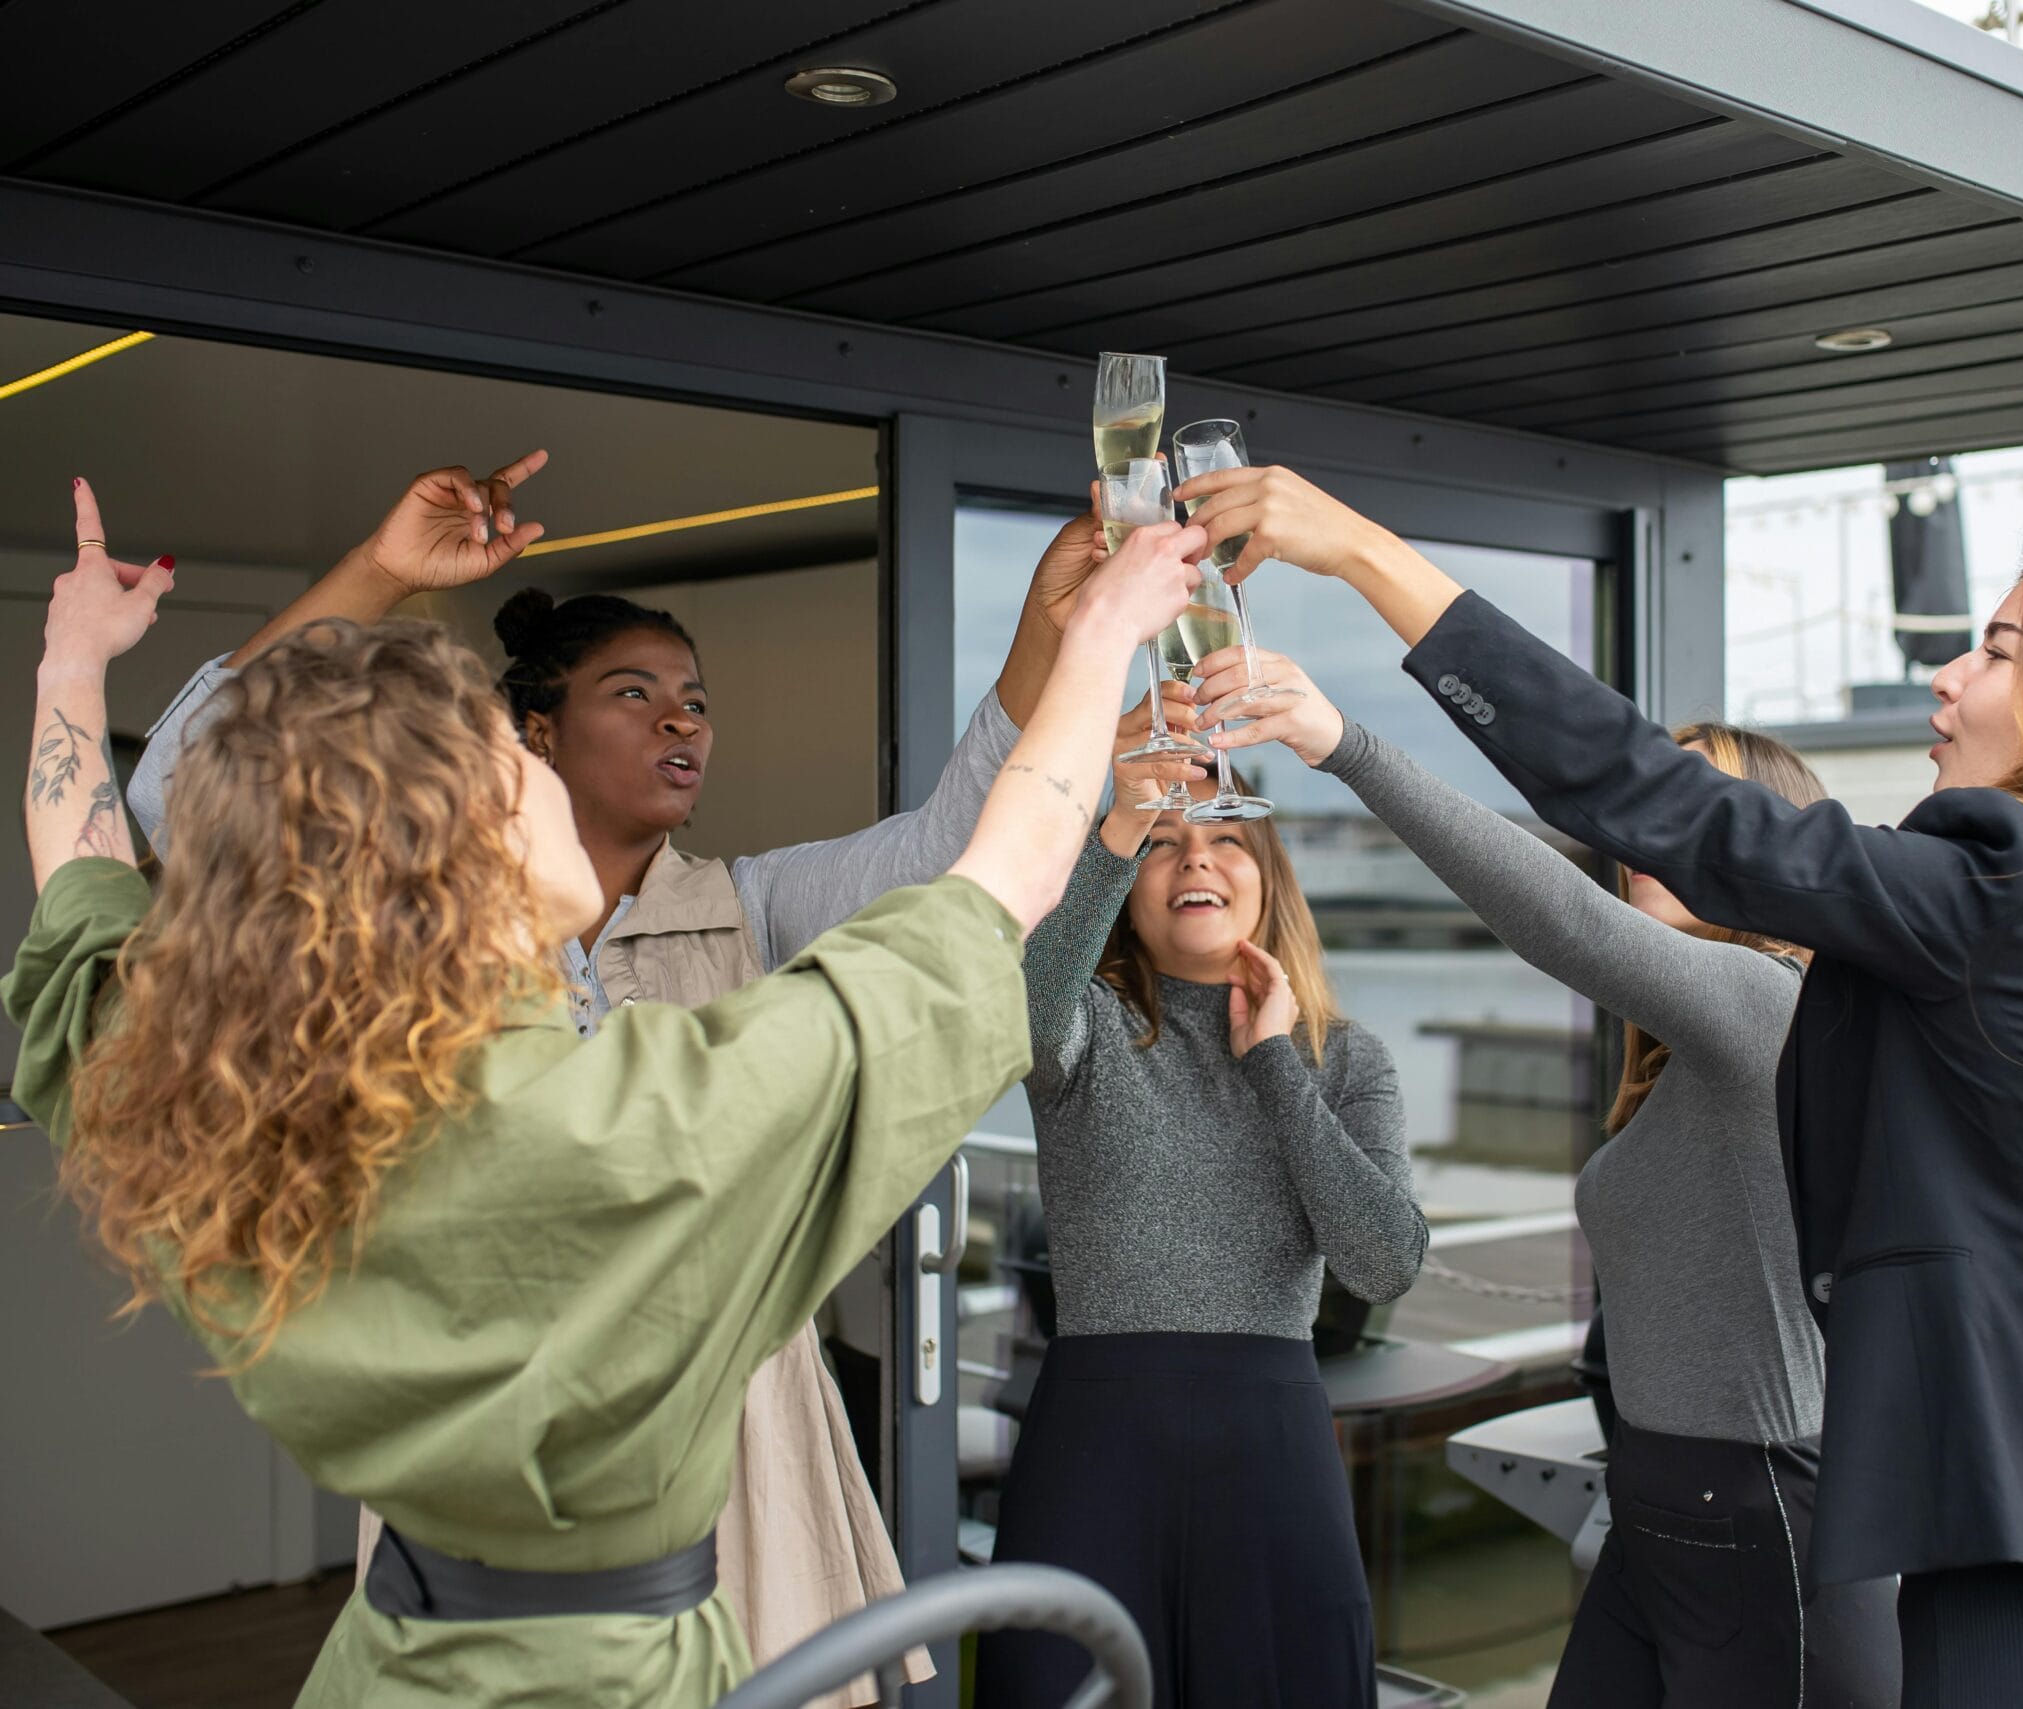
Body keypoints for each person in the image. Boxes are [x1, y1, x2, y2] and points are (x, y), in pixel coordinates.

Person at [1184, 126, 2023, 1708]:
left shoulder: (2002, 893)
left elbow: (1661, 803)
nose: (1945, 675)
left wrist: (1360, 554)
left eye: (1994, 649)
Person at [8, 475, 1201, 1708]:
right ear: (464, 827)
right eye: (498, 757)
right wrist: (1103, 635)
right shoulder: (666, 1115)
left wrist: (73, 664)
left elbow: (81, 888)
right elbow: (1000, 879)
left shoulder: (231, 1114)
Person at [1206, 659, 1898, 1707]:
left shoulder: (1769, 1003)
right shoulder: (1685, 1053)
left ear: (1767, 839)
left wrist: (1345, 743)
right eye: (1642, 801)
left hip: (1764, 1519)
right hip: (1664, 1512)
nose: (1642, 830)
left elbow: (1559, 918)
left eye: (1688, 802)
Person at [974, 689, 1429, 1709]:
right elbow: (1024, 1013)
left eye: (1224, 833)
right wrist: (1119, 815)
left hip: (1270, 1445)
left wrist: (1271, 1060)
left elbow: (1381, 1262)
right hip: (1096, 1444)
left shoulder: (1343, 1057)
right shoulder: (1085, 1023)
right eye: (1164, 843)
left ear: (1266, 879)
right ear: (1130, 886)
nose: (1193, 857)